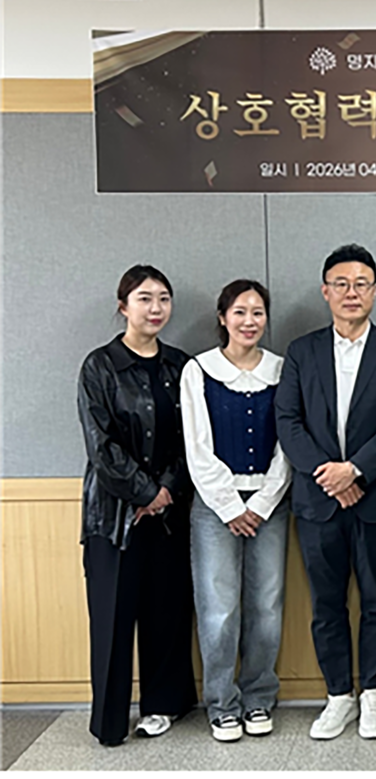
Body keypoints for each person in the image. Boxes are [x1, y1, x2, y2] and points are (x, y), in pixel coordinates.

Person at [274, 245, 376, 741]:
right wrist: (328, 475)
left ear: (374, 291)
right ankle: (338, 696)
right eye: (341, 284)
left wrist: (354, 471)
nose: (351, 293)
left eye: (361, 284)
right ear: (325, 291)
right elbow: (287, 421)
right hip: (317, 502)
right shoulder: (302, 351)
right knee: (326, 604)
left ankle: (373, 694)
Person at [77, 265, 197, 746]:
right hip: (113, 517)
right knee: (112, 617)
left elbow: (194, 439)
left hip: (168, 514)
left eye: (163, 298)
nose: (156, 308)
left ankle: (163, 706)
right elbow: (99, 444)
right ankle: (109, 721)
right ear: (123, 305)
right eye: (144, 298)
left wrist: (165, 490)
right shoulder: (99, 366)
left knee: (166, 612)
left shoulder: (180, 366)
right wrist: (145, 492)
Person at [181, 279, 292, 742]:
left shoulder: (282, 369)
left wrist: (263, 502)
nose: (250, 321)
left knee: (266, 605)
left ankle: (259, 696)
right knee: (219, 608)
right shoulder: (198, 371)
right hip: (214, 508)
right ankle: (222, 703)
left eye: (258, 312)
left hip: (271, 505)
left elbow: (289, 442)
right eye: (240, 312)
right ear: (222, 317)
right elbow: (196, 446)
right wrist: (229, 505)